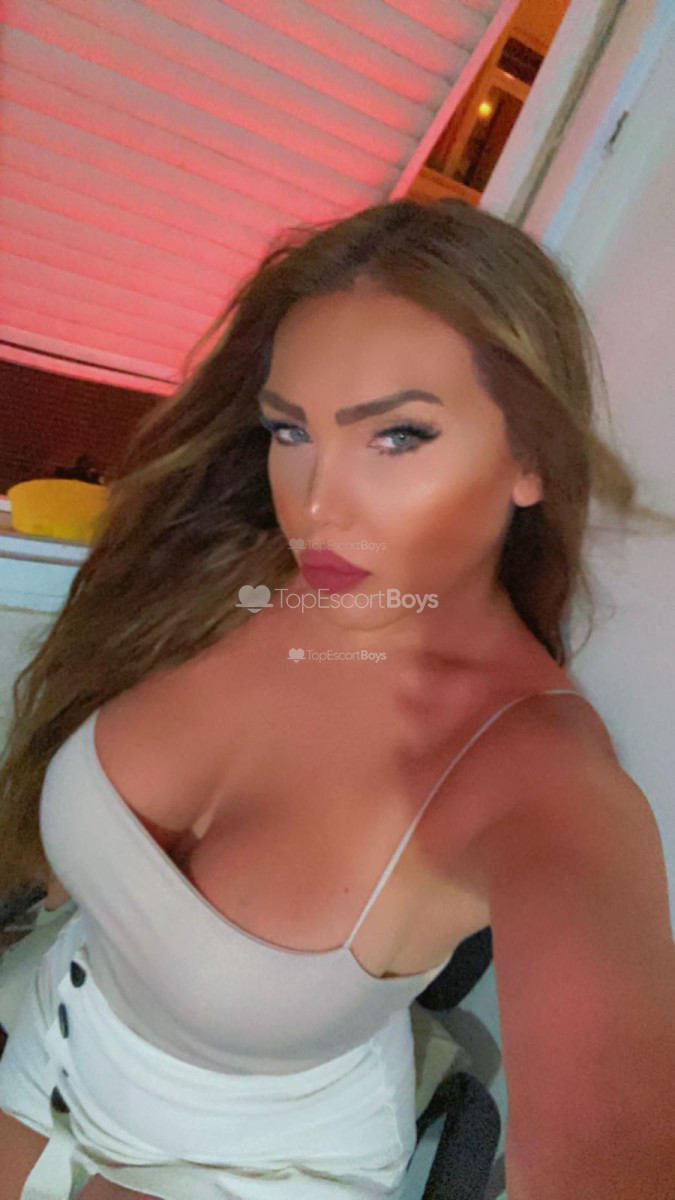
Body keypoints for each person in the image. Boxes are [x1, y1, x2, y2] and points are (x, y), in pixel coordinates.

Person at [0, 197, 673, 1199]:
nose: (316, 504)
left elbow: (612, 1136)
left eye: (397, 435)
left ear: (529, 457)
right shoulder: (219, 577)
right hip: (36, 1057)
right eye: (292, 429)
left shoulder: (541, 781)